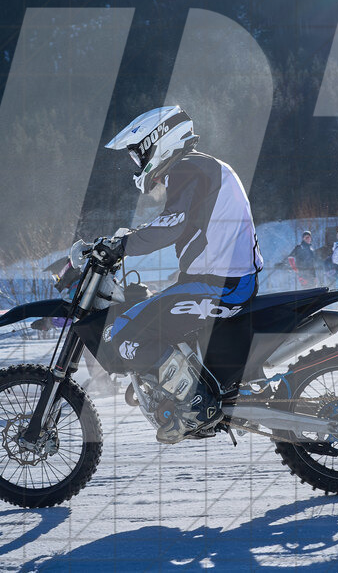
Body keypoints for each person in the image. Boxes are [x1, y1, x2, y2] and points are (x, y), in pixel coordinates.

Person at [101, 105, 263, 444]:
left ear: (157, 140)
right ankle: (176, 389)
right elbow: (176, 224)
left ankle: (195, 405)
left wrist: (123, 245)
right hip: (221, 282)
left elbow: (170, 225)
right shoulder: (200, 168)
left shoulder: (188, 168)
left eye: (137, 154)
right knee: (148, 312)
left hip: (219, 286)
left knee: (123, 334)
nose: (138, 164)